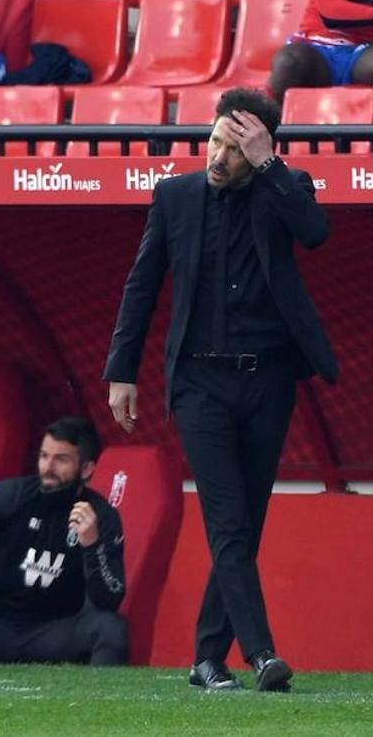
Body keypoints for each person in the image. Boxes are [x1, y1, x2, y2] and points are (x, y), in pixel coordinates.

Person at [103, 87, 338, 692]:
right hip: (199, 384)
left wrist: (269, 165)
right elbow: (140, 285)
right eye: (214, 142)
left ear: (258, 149)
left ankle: (207, 659)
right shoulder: (174, 197)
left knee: (245, 524)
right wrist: (120, 372)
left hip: (268, 380)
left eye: (234, 149)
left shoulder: (283, 188)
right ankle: (262, 654)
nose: (217, 157)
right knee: (229, 522)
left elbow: (315, 232)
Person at [0, 416, 129, 665]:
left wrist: (92, 545)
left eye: (61, 459)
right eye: (44, 456)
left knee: (112, 629)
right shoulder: (14, 494)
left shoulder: (100, 515)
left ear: (87, 469)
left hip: (49, 633)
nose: (48, 467)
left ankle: (98, 703)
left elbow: (109, 599)